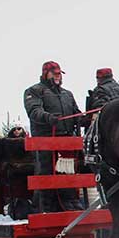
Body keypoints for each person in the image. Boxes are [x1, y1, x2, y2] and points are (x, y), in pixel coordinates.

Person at [24, 60, 84, 211]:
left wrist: (84, 118)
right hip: (45, 142)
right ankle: (46, 208)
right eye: (55, 73)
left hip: (67, 143)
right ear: (46, 74)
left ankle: (70, 205)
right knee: (46, 174)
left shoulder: (67, 94)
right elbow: (34, 111)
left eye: (59, 73)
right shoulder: (34, 91)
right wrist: (49, 118)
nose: (58, 76)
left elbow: (76, 113)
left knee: (68, 174)